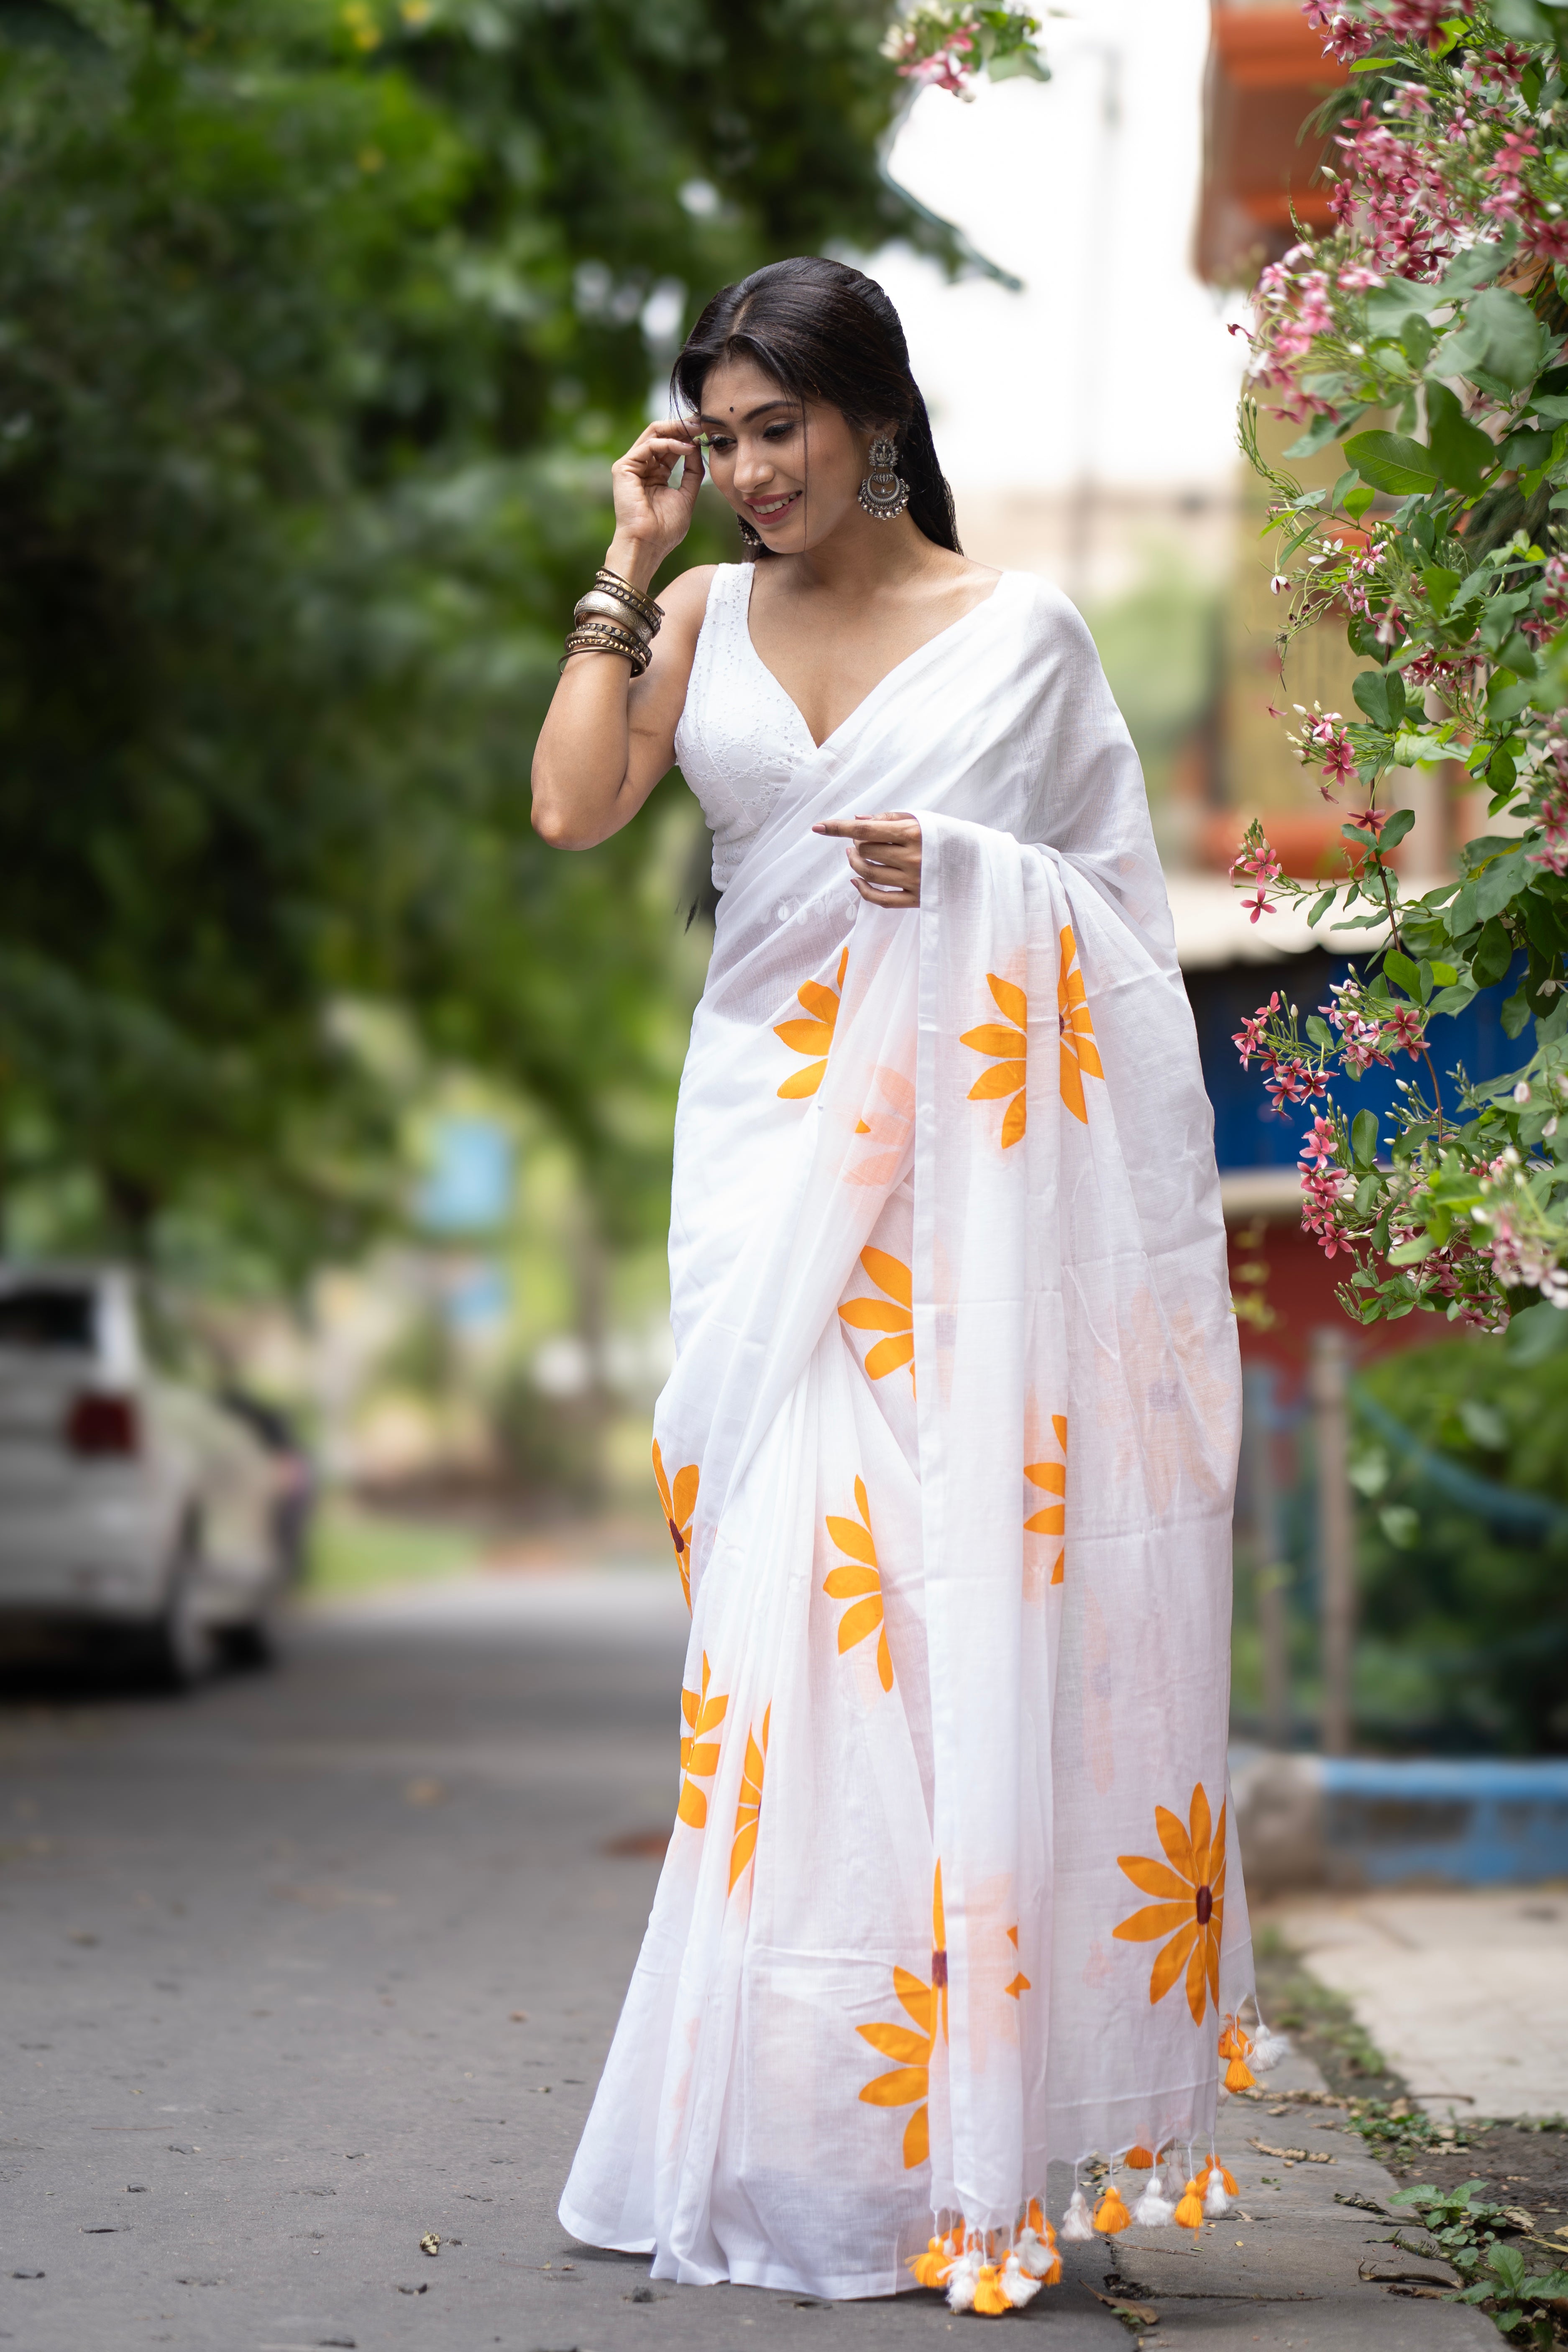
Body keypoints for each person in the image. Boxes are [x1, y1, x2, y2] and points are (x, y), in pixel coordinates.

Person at [533, 256, 1253, 2312]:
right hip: (767, 1167)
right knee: (791, 1633)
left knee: (952, 1618)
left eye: (780, 430)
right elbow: (576, 803)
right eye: (721, 433)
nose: (751, 469)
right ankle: (801, 2128)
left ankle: (980, 2132)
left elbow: (1116, 934)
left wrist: (965, 879)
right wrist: (625, 553)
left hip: (967, 1187)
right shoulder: (695, 611)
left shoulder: (1014, 638)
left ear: (873, 420)